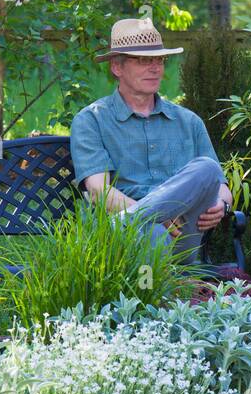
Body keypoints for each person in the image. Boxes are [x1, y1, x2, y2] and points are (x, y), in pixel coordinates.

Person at [70, 16, 233, 260]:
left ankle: (149, 225)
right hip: (125, 236)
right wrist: (154, 216)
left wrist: (223, 205)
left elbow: (220, 185)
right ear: (117, 67)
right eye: (143, 60)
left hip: (183, 231)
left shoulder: (188, 121)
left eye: (159, 60)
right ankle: (172, 286)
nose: (155, 67)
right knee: (152, 231)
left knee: (207, 167)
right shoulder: (92, 120)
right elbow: (98, 192)